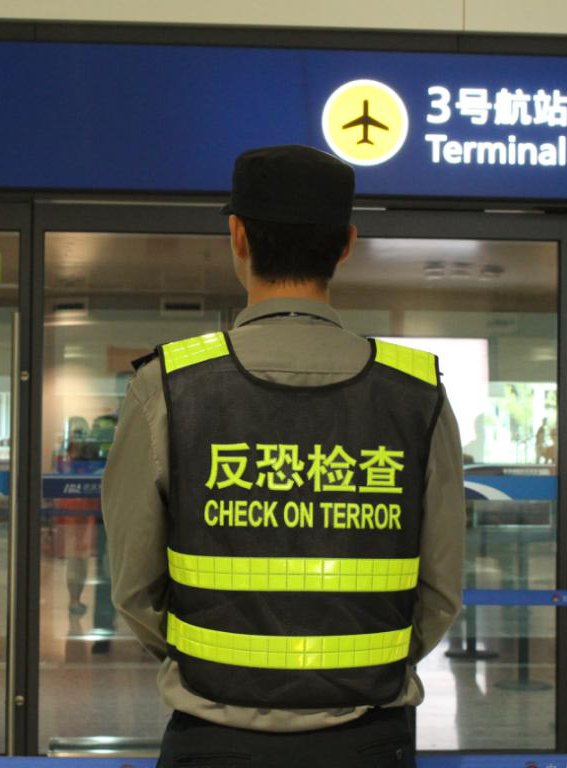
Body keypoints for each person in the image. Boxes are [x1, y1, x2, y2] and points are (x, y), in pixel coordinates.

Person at [103, 145, 465, 767]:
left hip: (211, 743)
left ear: (238, 236)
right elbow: (440, 591)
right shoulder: (416, 394)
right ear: (346, 244)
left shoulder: (167, 387)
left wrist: (219, 660)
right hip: (368, 742)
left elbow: (134, 592)